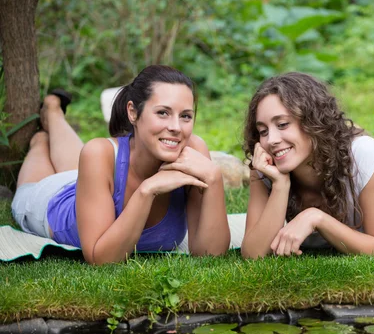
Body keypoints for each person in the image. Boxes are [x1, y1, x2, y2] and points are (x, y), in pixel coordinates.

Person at [12, 65, 231, 264]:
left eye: (185, 116)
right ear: (133, 112)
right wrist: (148, 190)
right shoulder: (98, 153)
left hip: (90, 186)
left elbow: (210, 254)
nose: (176, 127)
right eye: (163, 113)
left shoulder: (193, 150)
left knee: (73, 169)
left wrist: (214, 178)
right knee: (40, 151)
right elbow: (101, 259)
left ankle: (52, 112)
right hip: (49, 201)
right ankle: (46, 122)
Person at [241, 72, 374, 259]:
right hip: (370, 175)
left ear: (313, 121)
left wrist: (316, 218)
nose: (271, 140)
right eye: (263, 131)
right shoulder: (266, 168)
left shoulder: (365, 154)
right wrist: (280, 186)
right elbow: (253, 254)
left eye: (282, 124)